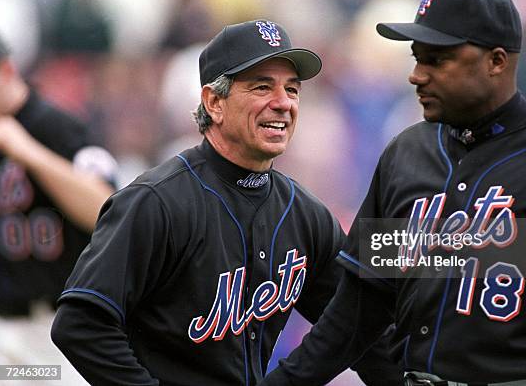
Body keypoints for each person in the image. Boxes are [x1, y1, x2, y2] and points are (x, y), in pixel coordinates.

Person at [260, 0, 526, 386]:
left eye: (436, 60)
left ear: (497, 61)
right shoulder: (405, 154)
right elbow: (359, 309)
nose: (416, 75)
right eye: (416, 57)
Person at [51, 19, 402, 386]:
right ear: (214, 102)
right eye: (262, 87)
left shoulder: (305, 214)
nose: (283, 103)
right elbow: (80, 324)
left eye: (292, 90)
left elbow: (359, 328)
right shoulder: (156, 201)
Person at [0, 33, 116, 372]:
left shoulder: (57, 127)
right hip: (4, 329)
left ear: (6, 71)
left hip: (58, 331)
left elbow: (107, 210)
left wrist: (28, 152)